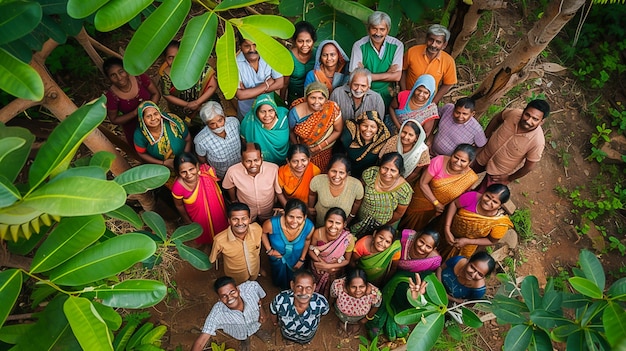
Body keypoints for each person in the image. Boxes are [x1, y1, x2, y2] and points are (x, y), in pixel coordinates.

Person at [369, 228, 442, 341]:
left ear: (434, 248)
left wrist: (415, 289)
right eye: (421, 242)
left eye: (428, 246)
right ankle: (383, 311)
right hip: (392, 274)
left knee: (408, 296)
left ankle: (396, 314)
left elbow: (425, 275)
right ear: (416, 237)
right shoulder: (405, 240)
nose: (422, 248)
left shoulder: (433, 260)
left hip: (411, 283)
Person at [472, 99, 550, 192]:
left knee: (480, 196)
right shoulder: (514, 113)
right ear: (523, 111)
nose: (529, 121)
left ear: (542, 121)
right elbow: (497, 118)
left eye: (535, 119)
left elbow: (529, 167)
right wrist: (485, 137)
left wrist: (509, 178)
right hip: (484, 153)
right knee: (461, 175)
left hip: (498, 172)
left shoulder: (537, 142)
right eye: (527, 115)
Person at [399, 144, 478, 233]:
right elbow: (423, 183)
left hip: (436, 210)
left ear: (469, 163)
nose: (458, 162)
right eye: (456, 157)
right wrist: (436, 203)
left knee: (418, 229)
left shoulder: (470, 178)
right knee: (404, 222)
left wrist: (440, 209)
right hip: (419, 200)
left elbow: (458, 198)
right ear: (452, 155)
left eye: (463, 161)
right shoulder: (439, 161)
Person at [191, 276, 268, 351]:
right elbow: (201, 342)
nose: (230, 298)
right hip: (238, 333)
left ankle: (257, 331)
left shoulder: (251, 287)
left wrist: (261, 310)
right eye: (224, 296)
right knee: (243, 337)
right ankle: (244, 341)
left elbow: (259, 298)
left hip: (255, 322)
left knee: (256, 326)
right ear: (220, 299)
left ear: (237, 289)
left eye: (232, 292)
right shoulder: (217, 314)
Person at [439, 184, 514, 260]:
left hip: (467, 246)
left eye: (494, 202)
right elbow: (454, 204)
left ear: (500, 206)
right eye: (487, 196)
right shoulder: (472, 197)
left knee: (452, 262)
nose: (488, 202)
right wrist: (447, 229)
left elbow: (492, 241)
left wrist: (467, 241)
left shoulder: (499, 222)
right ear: (484, 192)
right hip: (447, 230)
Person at [159, 40, 218, 133]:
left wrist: (197, 103)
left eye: (178, 56)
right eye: (170, 57)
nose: (175, 61)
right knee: (189, 131)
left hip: (205, 106)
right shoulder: (166, 76)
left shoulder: (198, 67)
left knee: (211, 126)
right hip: (182, 111)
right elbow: (166, 95)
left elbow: (213, 86)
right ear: (165, 59)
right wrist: (187, 105)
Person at [349, 11, 403, 107]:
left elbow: (397, 76)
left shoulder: (397, 45)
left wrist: (366, 74)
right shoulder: (359, 45)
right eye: (374, 29)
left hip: (388, 94)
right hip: (364, 93)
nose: (378, 33)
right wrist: (388, 73)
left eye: (382, 29)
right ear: (368, 29)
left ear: (388, 30)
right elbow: (354, 76)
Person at [350, 152, 412, 236]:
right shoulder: (371, 174)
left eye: (393, 170)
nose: (387, 173)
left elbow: (398, 213)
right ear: (380, 166)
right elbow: (358, 193)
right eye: (384, 168)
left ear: (399, 172)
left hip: (381, 227)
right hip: (358, 218)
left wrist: (382, 225)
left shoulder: (404, 190)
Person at [172, 153, 228, 245]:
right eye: (183, 172)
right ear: (178, 172)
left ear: (197, 166)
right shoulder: (178, 187)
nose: (189, 174)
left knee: (222, 229)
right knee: (205, 233)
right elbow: (179, 205)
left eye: (191, 169)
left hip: (217, 211)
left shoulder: (205, 173)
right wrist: (188, 221)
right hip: (197, 216)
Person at [222, 143, 287, 223]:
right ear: (242, 160)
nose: (253, 165)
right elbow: (229, 186)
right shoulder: (232, 171)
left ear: (261, 158)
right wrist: (234, 200)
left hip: (268, 209)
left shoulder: (273, 169)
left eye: (256, 160)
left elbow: (278, 191)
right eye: (248, 161)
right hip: (247, 211)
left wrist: (288, 209)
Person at [104, 57, 160, 144]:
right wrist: (135, 113)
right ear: (109, 78)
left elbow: (156, 93)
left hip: (155, 120)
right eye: (113, 75)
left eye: (121, 72)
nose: (119, 78)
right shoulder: (111, 96)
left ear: (126, 70)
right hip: (134, 130)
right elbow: (114, 119)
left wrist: (149, 110)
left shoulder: (139, 77)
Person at [289, 82, 343, 172]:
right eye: (312, 98)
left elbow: (338, 131)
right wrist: (299, 150)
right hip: (303, 151)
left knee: (320, 172)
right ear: (306, 98)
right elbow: (290, 132)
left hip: (324, 150)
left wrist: (318, 148)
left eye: (321, 98)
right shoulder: (295, 113)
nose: (316, 102)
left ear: (326, 99)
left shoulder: (332, 109)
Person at [262, 199, 315, 289]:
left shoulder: (309, 227)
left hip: (296, 258)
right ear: (284, 214)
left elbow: (307, 240)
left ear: (305, 217)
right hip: (277, 258)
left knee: (295, 278)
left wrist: (302, 259)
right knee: (278, 277)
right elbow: (263, 233)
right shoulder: (272, 224)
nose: (294, 221)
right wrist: (269, 250)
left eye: (299, 218)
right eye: (291, 216)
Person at [270, 269, 330, 345]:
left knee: (305, 341)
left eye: (308, 287)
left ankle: (304, 342)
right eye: (299, 287)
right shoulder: (280, 300)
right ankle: (290, 341)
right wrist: (275, 322)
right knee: (288, 339)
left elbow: (322, 314)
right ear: (292, 285)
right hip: (287, 334)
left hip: (307, 336)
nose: (303, 292)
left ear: (314, 287)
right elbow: (273, 312)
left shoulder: (321, 302)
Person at [401, 24, 457, 104]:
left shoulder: (448, 61)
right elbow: (403, 70)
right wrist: (404, 93)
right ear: (426, 39)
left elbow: (448, 83)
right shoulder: (412, 52)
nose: (433, 45)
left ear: (444, 45)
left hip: (428, 101)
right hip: (408, 97)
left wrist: (433, 102)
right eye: (431, 40)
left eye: (438, 42)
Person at [209, 203, 263, 284]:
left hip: (255, 269)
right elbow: (213, 258)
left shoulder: (257, 229)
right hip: (236, 276)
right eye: (235, 219)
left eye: (244, 218)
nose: (240, 223)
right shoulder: (219, 240)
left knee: (253, 283)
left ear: (250, 219)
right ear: (229, 221)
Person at [308, 208, 355, 297]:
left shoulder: (348, 238)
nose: (333, 226)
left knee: (330, 288)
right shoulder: (318, 233)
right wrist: (321, 263)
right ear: (325, 221)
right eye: (330, 221)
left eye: (338, 223)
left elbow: (347, 260)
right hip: (318, 267)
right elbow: (310, 250)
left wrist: (329, 267)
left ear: (344, 224)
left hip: (334, 269)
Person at [235, 34, 284, 119]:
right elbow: (240, 95)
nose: (252, 49)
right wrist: (267, 84)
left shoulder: (270, 56)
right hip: (247, 111)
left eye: (255, 45)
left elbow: (280, 83)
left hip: (269, 110)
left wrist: (248, 93)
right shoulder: (234, 64)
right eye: (247, 46)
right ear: (240, 47)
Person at [308, 154, 364, 228]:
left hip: (340, 226)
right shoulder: (318, 181)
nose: (337, 176)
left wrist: (351, 217)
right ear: (328, 170)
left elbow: (357, 202)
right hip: (320, 223)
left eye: (341, 173)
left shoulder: (356, 186)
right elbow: (312, 194)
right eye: (333, 171)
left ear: (348, 174)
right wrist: (310, 208)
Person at [133, 101, 191, 170]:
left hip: (184, 160)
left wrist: (184, 158)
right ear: (142, 119)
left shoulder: (174, 121)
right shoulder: (139, 135)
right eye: (148, 116)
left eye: (155, 114)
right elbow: (142, 153)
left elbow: (188, 139)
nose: (153, 118)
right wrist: (163, 163)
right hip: (161, 167)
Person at [193, 101, 241, 179]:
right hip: (221, 173)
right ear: (206, 124)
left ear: (224, 116)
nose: (218, 126)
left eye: (220, 120)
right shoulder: (200, 140)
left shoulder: (234, 123)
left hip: (240, 166)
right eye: (212, 123)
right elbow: (202, 158)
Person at [339, 110, 391, 179]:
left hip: (368, 176)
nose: (368, 130)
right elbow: (339, 155)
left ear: (378, 129)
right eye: (365, 125)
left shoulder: (382, 140)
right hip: (345, 173)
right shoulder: (351, 134)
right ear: (359, 125)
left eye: (373, 127)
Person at [240, 93, 290, 165]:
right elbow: (245, 142)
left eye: (271, 111)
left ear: (275, 110)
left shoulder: (284, 119)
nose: (267, 115)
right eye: (262, 111)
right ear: (256, 112)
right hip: (261, 164)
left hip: (285, 161)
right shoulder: (249, 123)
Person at [330, 268, 382, 336]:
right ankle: (343, 323)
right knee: (342, 320)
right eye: (353, 287)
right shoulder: (338, 286)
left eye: (362, 286)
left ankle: (355, 325)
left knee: (357, 323)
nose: (358, 290)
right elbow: (333, 296)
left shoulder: (374, 293)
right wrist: (331, 306)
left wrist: (366, 318)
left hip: (359, 318)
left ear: (366, 285)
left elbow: (376, 306)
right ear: (347, 285)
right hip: (341, 314)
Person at [379, 119, 431, 184]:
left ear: (416, 138)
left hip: (405, 180)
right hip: (384, 174)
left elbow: (415, 172)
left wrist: (400, 183)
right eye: (404, 132)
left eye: (410, 135)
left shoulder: (422, 150)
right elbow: (382, 160)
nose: (406, 137)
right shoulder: (394, 141)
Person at [283, 21, 317, 103]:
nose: (304, 45)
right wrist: (282, 101)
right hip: (294, 98)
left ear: (313, 41)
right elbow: (285, 84)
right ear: (295, 41)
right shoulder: (289, 57)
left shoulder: (318, 54)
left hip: (315, 99)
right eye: (300, 41)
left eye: (308, 41)